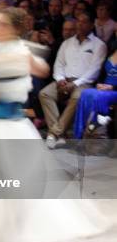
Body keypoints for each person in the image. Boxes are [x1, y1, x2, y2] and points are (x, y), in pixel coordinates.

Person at [0, 7, 107, 242]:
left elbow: (43, 69)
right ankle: (3, 241)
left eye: (0, 23)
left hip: (12, 125)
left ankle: (18, 240)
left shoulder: (19, 49)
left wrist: (21, 55)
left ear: (13, 28)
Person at [40, 11, 107, 148]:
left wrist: (75, 83)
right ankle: (61, 136)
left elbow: (94, 70)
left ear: (91, 24)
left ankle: (54, 133)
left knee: (78, 97)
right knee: (44, 93)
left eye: (83, 22)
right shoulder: (67, 43)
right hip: (64, 80)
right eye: (78, 21)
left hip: (84, 83)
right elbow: (59, 64)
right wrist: (60, 79)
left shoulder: (99, 45)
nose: (80, 24)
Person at [73, 41, 117, 138]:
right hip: (105, 87)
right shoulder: (112, 51)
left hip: (114, 90)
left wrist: (112, 87)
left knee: (97, 97)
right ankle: (80, 134)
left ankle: (93, 130)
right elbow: (102, 73)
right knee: (86, 93)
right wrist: (99, 84)